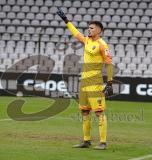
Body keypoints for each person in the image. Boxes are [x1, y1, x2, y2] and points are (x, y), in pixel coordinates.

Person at [57, 8, 113, 150]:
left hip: (95, 82)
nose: (89, 30)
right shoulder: (87, 40)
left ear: (99, 30)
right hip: (84, 82)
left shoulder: (102, 45)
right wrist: (66, 21)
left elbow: (109, 64)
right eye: (88, 28)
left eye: (91, 28)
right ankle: (86, 141)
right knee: (85, 111)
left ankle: (103, 142)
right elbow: (76, 33)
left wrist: (110, 82)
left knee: (99, 112)